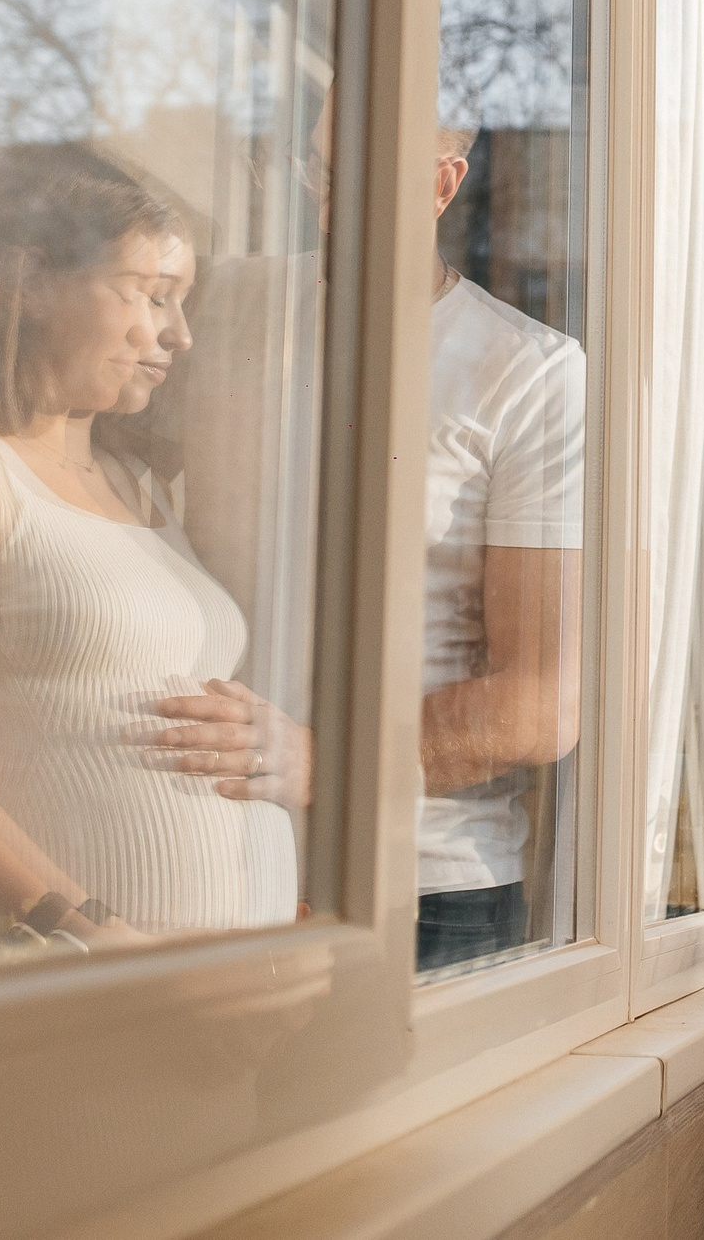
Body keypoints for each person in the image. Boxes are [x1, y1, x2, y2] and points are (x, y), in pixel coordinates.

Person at [138, 121, 583, 973]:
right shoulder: (226, 309)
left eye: (356, 177)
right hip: (210, 850)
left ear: (442, 186)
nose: (323, 203)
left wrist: (323, 761)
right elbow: (118, 495)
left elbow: (542, 698)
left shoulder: (530, 375)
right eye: (314, 169)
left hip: (422, 888)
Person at [0, 144, 297, 965]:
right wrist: (85, 935)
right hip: (53, 992)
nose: (179, 335)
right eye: (152, 296)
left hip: (211, 1004)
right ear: (29, 281)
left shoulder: (140, 485)